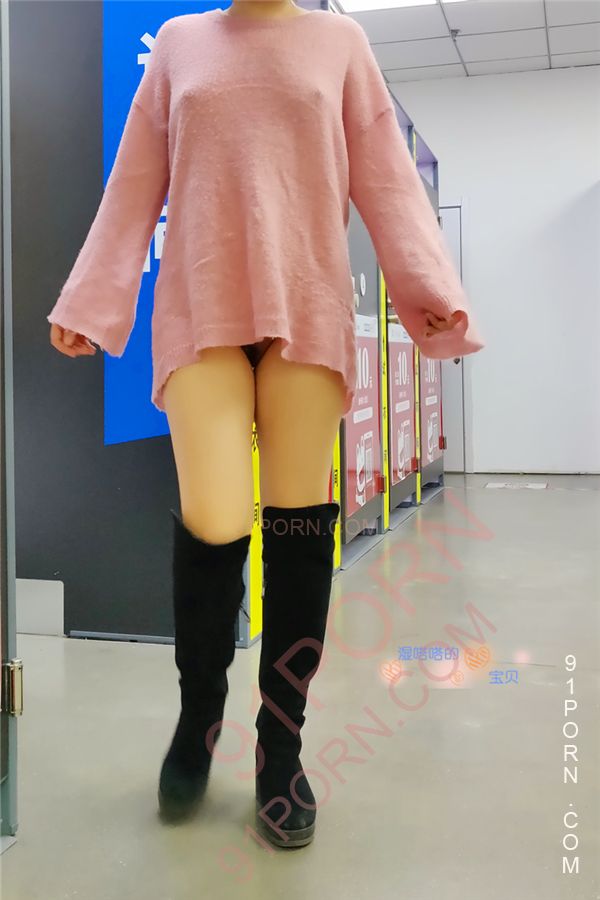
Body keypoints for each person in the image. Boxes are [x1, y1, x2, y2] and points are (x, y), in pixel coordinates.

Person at [47, 0, 484, 850]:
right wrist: (94, 300)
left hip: (306, 305)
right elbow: (134, 181)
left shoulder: (340, 42)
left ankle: (280, 747)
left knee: (298, 523)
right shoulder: (180, 44)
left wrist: (430, 289)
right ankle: (199, 719)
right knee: (213, 525)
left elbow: (387, 180)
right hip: (201, 302)